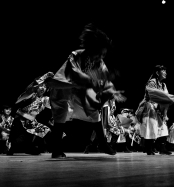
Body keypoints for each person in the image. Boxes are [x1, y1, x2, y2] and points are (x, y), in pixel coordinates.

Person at [46, 23, 125, 158]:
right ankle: (56, 149)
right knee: (61, 116)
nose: (102, 57)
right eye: (100, 53)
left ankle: (102, 143)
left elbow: (105, 78)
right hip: (63, 88)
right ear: (93, 49)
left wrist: (112, 91)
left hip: (78, 91)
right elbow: (75, 74)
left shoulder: (99, 62)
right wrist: (91, 82)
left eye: (104, 54)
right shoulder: (76, 55)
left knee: (94, 113)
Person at [135, 65, 174, 155]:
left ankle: (162, 148)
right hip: (150, 107)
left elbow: (166, 100)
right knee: (151, 127)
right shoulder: (152, 82)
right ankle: (149, 148)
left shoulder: (163, 85)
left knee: (163, 127)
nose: (165, 73)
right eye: (163, 71)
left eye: (165, 71)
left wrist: (165, 114)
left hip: (159, 108)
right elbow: (152, 96)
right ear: (157, 73)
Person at [7, 72, 54, 155]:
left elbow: (54, 103)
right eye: (41, 85)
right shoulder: (30, 94)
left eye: (45, 86)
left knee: (46, 130)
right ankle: (11, 147)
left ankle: (30, 147)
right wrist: (45, 76)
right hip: (20, 121)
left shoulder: (44, 99)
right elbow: (32, 88)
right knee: (17, 142)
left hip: (32, 122)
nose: (43, 88)